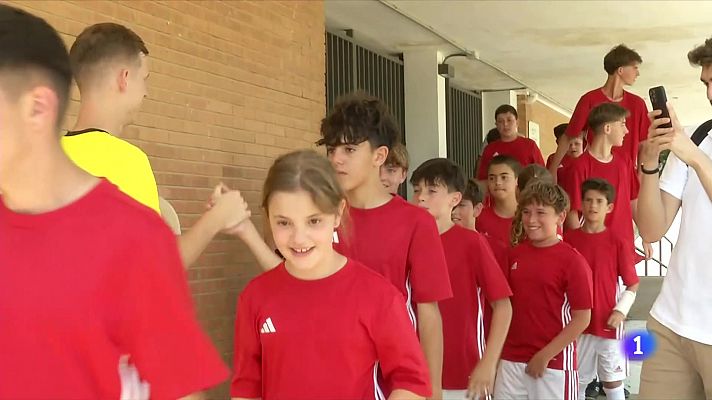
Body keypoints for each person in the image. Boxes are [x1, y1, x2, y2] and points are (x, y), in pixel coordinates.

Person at [0, 5, 238, 398]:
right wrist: (213, 223)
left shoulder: (131, 231)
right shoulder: (130, 177)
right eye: (146, 80)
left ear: (38, 108)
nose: (146, 91)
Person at [230, 93, 453, 398]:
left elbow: (428, 312)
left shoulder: (414, 223)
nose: (337, 158)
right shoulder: (312, 212)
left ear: (379, 155)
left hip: (381, 379)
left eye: (349, 149)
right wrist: (247, 233)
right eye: (332, 149)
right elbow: (290, 286)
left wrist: (433, 390)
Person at [64, 22, 243, 267]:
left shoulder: (43, 157)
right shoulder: (126, 162)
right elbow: (160, 265)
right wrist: (217, 217)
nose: (146, 92)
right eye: (144, 79)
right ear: (124, 78)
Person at [637, 37, 712, 399]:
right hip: (670, 323)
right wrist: (649, 162)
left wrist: (695, 158)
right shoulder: (699, 137)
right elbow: (652, 228)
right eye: (707, 84)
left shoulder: (693, 149)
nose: (711, 94)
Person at [410, 158, 512, 399]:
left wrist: (489, 362)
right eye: (416, 191)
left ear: (455, 199)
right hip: (416, 371)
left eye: (432, 191)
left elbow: (503, 307)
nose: (421, 197)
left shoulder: (472, 243)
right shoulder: (406, 243)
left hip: (467, 373)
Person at [494, 182, 593, 399]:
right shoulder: (514, 255)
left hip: (553, 364)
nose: (531, 220)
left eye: (541, 213)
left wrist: (546, 355)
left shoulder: (573, 261)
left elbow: (582, 318)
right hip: (510, 360)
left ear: (561, 216)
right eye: (526, 212)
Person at [564, 179, 640, 400]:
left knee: (613, 382)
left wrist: (620, 311)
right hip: (577, 323)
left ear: (609, 207)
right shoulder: (569, 240)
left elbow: (632, 282)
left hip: (608, 323)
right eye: (588, 200)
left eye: (599, 201)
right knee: (576, 380)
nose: (593, 206)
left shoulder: (618, 241)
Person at [559, 102, 652, 257]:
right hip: (593, 252)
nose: (627, 130)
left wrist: (645, 235)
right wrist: (582, 250)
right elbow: (573, 215)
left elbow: (633, 200)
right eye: (622, 124)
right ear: (607, 129)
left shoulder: (625, 163)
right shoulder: (579, 167)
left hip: (623, 249)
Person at [549, 44, 649, 180]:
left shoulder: (638, 104)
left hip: (626, 175)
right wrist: (553, 170)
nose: (637, 73)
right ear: (620, 70)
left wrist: (641, 174)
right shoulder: (589, 99)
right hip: (594, 174)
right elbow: (569, 135)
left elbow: (644, 143)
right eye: (635, 68)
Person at [476, 105, 544, 182]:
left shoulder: (530, 145)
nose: (505, 124)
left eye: (509, 120)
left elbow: (542, 174)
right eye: (500, 121)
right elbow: (482, 179)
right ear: (496, 125)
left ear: (517, 122)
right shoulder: (489, 149)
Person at [476, 155, 521, 254]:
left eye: (504, 177)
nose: (498, 182)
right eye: (492, 178)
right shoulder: (478, 217)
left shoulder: (528, 217)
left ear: (516, 180)